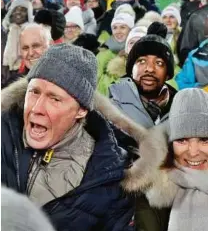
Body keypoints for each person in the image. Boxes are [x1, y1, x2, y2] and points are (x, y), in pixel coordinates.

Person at [2, 44, 136, 231]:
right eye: (34, 92)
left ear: (81, 110)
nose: (37, 108)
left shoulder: (111, 177)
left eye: (54, 99)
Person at [130, 88, 208, 231]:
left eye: (204, 140)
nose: (193, 152)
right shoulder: (152, 193)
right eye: (182, 140)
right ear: (170, 145)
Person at [109, 22, 177, 128]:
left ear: (168, 74)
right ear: (131, 70)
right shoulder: (112, 104)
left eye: (159, 63)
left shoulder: (180, 107)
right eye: (142, 61)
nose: (149, 69)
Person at [97, 12, 134, 96]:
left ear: (130, 29)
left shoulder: (137, 52)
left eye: (123, 27)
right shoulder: (103, 52)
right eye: (115, 28)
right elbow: (95, 81)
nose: (118, 31)